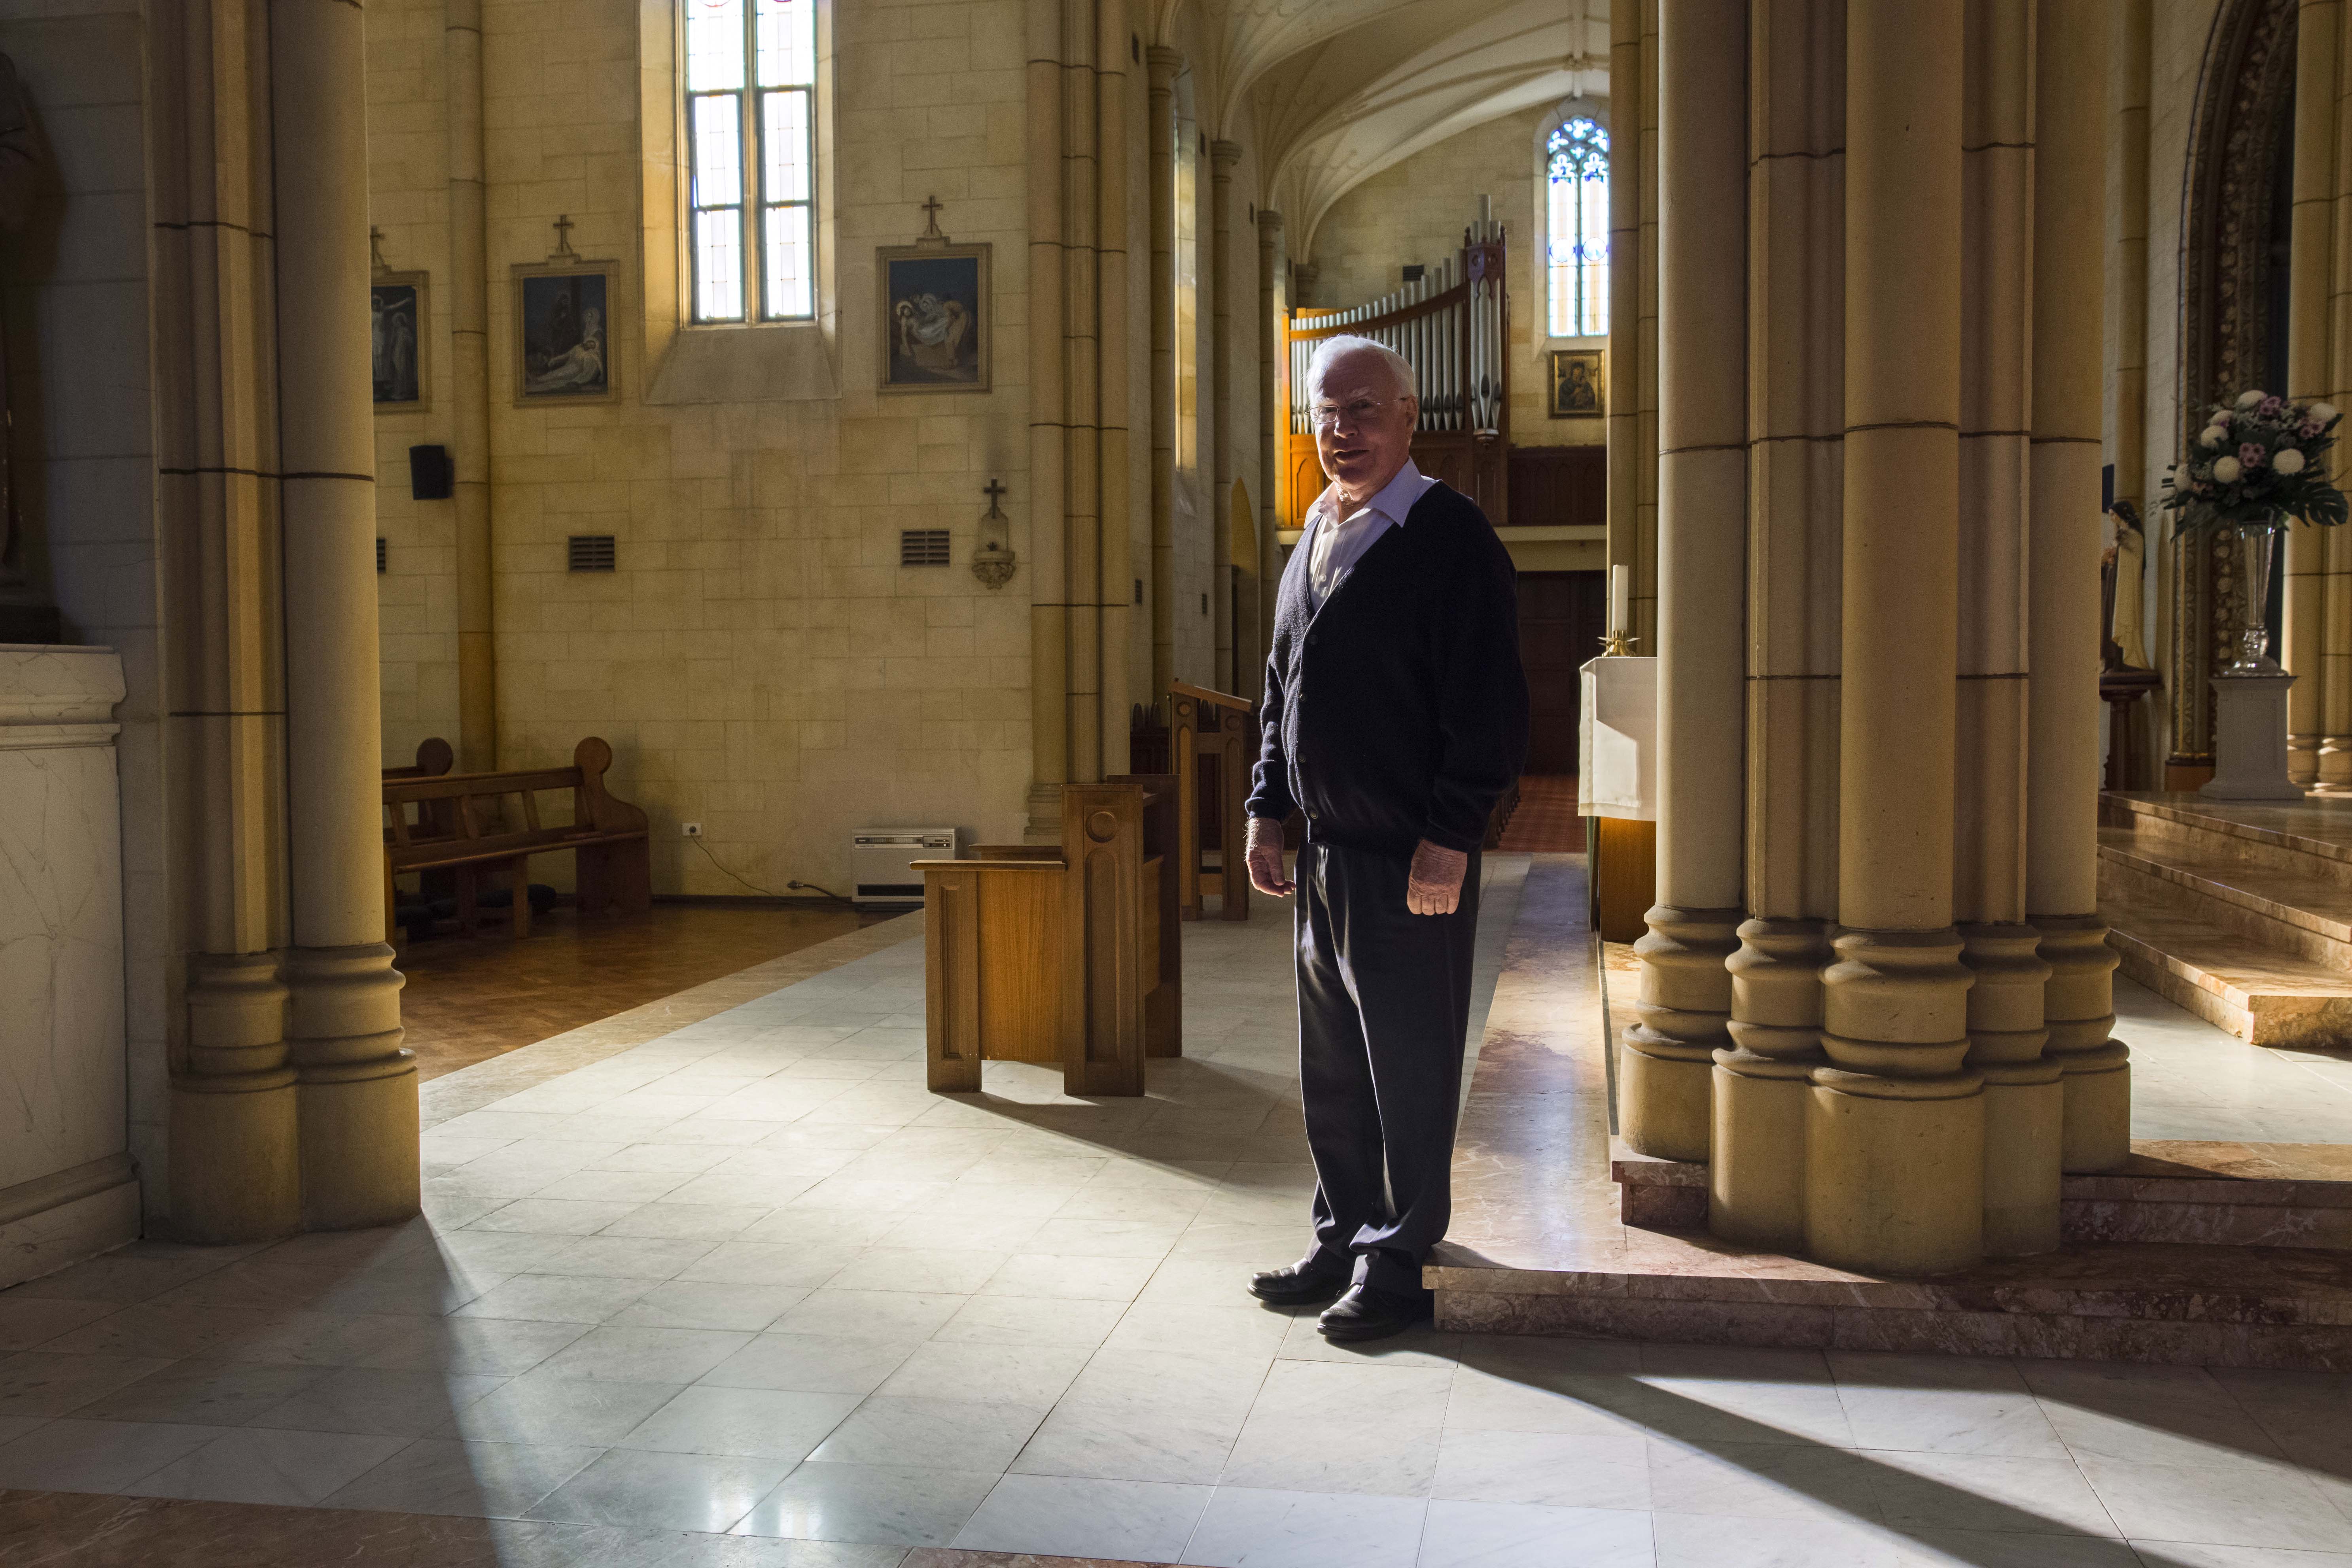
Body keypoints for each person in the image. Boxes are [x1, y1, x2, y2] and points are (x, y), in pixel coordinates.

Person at [1243, 334, 1528, 1342]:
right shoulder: (1313, 533)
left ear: (1409, 418)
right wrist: (1264, 811)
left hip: (1412, 857)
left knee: (1406, 1063)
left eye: (1364, 409)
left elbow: (1490, 703)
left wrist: (1452, 835)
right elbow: (1279, 693)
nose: (1342, 429)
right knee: (1333, 1066)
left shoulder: (1449, 535)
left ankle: (1401, 1256)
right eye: (1326, 411)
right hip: (1321, 852)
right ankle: (1344, 1233)